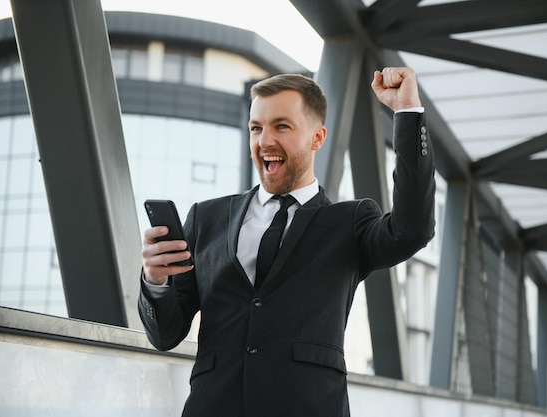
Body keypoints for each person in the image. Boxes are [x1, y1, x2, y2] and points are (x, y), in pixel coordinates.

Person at [139, 67, 436, 417]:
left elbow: (413, 229)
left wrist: (407, 113)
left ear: (318, 137)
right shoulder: (206, 219)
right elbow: (166, 335)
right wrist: (155, 282)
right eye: (256, 127)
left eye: (281, 126)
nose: (264, 140)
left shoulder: (349, 223)